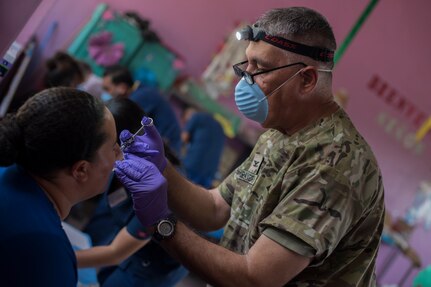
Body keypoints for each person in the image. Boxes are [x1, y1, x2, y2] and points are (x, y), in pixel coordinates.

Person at [114, 7, 385, 286]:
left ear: (306, 79)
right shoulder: (279, 132)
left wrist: (162, 224)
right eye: (247, 65)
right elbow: (215, 208)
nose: (246, 80)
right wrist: (161, 168)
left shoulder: (335, 162)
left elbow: (256, 278)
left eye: (262, 68)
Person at [0, 87, 121, 286]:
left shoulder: (7, 171)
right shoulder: (48, 256)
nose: (119, 154)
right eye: (113, 147)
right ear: (81, 170)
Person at [78, 98, 187, 287]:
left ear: (119, 145)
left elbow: (115, 253)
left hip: (151, 266)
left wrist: (62, 257)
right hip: (131, 244)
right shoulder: (121, 164)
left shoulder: (157, 186)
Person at [102, 65, 182, 155]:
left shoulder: (138, 99)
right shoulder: (142, 90)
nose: (106, 94)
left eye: (107, 89)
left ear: (122, 88)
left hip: (170, 143)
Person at [181, 106, 225, 188]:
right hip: (210, 174)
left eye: (186, 122)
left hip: (192, 167)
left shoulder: (195, 116)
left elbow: (184, 138)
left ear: (187, 114)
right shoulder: (219, 126)